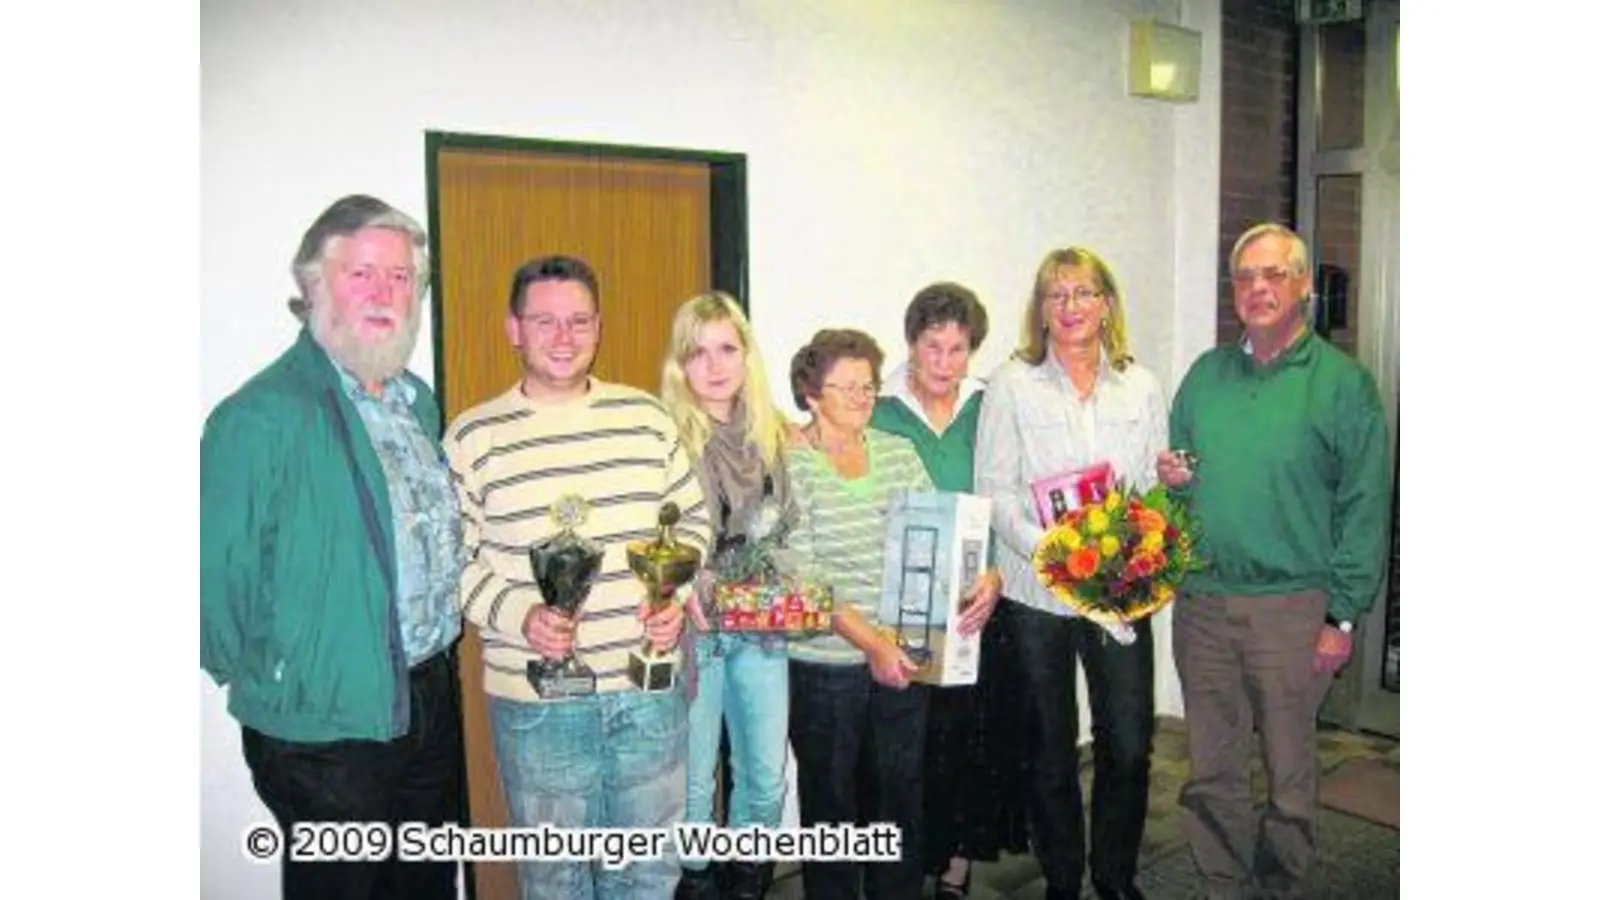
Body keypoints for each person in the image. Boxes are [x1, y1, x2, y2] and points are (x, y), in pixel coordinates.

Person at [200, 194, 465, 900]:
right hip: (324, 726)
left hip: (427, 695)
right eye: (361, 274)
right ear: (315, 285)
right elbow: (208, 582)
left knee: (425, 886)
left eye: (401, 277)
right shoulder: (258, 416)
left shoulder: (416, 402)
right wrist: (282, 677)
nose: (385, 292)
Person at [441, 254, 711, 900]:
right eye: (545, 321)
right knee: (555, 879)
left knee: (649, 873)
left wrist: (672, 594)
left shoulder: (647, 419)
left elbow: (692, 522)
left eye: (580, 321)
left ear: (599, 327)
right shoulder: (473, 437)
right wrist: (521, 616)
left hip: (648, 689)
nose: (564, 337)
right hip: (537, 702)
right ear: (513, 329)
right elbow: (448, 562)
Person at [1157, 223, 1392, 900]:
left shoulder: (1343, 385)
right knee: (1211, 770)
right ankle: (1222, 883)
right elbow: (1181, 489)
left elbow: (1366, 505)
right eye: (1245, 276)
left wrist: (1341, 618)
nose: (1257, 288)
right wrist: (1174, 483)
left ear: (1304, 286)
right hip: (1203, 605)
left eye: (1274, 274)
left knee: (1289, 774)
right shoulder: (1206, 376)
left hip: (1294, 611)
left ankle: (1281, 884)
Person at [974, 247, 1170, 900]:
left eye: (1084, 292)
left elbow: (1148, 490)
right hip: (1037, 594)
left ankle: (1114, 877)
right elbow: (995, 489)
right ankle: (1062, 879)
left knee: (1129, 742)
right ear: (1040, 310)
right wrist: (1055, 552)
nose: (1070, 306)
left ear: (1107, 304)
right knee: (1048, 748)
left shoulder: (1142, 385)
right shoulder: (1012, 383)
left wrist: (1159, 513)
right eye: (1056, 294)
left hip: (1117, 593)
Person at [784, 328, 1001, 900]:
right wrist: (872, 643)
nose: (863, 397)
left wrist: (985, 574)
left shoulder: (896, 451)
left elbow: (941, 531)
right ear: (811, 394)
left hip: (902, 651)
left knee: (899, 795)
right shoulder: (790, 464)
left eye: (869, 385)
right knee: (830, 803)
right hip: (825, 664)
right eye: (847, 387)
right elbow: (804, 578)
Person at [868, 282, 1014, 899]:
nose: (945, 363)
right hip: (899, 603)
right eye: (933, 347)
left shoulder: (988, 406)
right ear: (911, 342)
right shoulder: (878, 407)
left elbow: (1007, 492)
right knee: (904, 748)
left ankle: (955, 864)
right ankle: (903, 868)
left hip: (973, 600)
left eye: (958, 349)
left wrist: (997, 573)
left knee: (964, 742)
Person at [659, 292, 795, 900]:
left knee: (765, 780)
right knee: (690, 787)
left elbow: (785, 529)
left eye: (726, 349)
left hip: (760, 624)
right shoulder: (664, 437)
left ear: (746, 355)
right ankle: (695, 883)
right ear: (679, 364)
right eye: (697, 352)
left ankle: (748, 882)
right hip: (695, 632)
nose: (714, 366)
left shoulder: (771, 434)